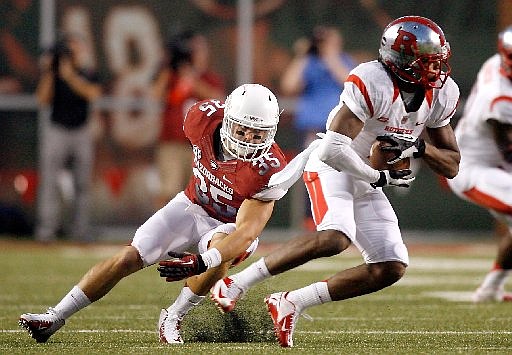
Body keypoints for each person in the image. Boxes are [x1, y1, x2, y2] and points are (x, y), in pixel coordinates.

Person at [204, 16, 460, 347]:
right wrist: (378, 175)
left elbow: (452, 165)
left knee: (390, 266)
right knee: (335, 239)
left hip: (368, 176)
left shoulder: (441, 94)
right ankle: (235, 283)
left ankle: (290, 302)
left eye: (437, 58)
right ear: (401, 60)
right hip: (335, 166)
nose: (435, 67)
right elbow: (331, 150)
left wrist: (419, 146)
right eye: (426, 60)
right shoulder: (372, 81)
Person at [19, 84, 293, 344]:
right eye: (243, 129)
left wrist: (201, 261)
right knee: (128, 257)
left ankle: (173, 316)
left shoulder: (269, 169)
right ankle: (54, 317)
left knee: (221, 252)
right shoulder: (202, 119)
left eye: (258, 134)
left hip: (230, 225)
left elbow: (246, 233)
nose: (248, 139)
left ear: (271, 132)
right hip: (192, 205)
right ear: (228, 118)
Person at [447, 25, 512, 303]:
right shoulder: (500, 96)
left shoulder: (495, 63)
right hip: (473, 168)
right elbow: (508, 149)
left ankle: (489, 290)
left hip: (493, 163)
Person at [280, 26, 357, 229]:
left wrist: (331, 56)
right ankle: (312, 222)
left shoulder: (344, 60)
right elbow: (288, 85)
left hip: (340, 130)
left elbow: (349, 81)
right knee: (313, 174)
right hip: (313, 130)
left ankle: (343, 221)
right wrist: (302, 55)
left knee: (343, 174)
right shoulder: (308, 62)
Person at [34, 32, 101, 242]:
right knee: (50, 181)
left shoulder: (87, 71)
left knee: (83, 184)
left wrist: (70, 76)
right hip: (57, 130)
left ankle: (80, 230)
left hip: (81, 130)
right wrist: (51, 72)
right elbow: (42, 100)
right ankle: (47, 229)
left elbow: (93, 94)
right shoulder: (53, 74)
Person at [152, 29, 225, 208]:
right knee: (168, 190)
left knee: (200, 194)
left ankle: (196, 233)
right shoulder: (171, 76)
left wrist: (193, 80)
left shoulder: (209, 78)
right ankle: (160, 231)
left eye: (199, 50)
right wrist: (168, 65)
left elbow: (220, 99)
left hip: (201, 147)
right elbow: (155, 95)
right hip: (172, 142)